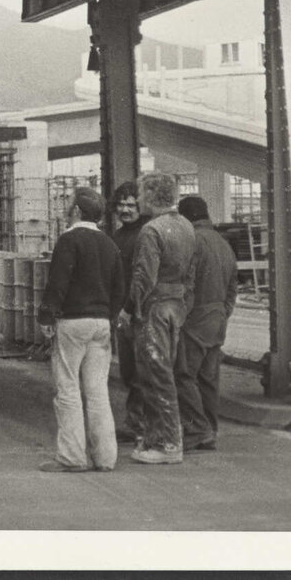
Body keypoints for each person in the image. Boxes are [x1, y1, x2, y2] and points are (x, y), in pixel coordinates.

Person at [35, 187, 125, 472]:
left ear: (76, 211)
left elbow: (58, 283)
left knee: (68, 389)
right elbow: (120, 289)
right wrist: (108, 316)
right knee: (98, 391)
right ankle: (106, 458)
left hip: (73, 323)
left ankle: (73, 457)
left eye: (69, 205)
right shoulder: (110, 244)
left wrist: (47, 317)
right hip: (101, 324)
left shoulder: (69, 240)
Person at [125, 172, 196, 464]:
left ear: (152, 196)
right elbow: (191, 274)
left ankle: (167, 444)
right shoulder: (186, 227)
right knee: (163, 373)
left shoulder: (152, 231)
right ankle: (157, 440)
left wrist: (131, 308)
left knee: (155, 376)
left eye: (141, 194)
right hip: (176, 306)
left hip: (153, 308)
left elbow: (144, 276)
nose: (138, 199)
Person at [175, 195, 237, 452]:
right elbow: (233, 290)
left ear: (186, 218)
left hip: (195, 320)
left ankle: (196, 428)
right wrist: (222, 313)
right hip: (217, 320)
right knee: (208, 379)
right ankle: (210, 430)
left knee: (183, 376)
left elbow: (186, 286)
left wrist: (181, 318)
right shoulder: (224, 245)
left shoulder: (192, 242)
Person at [108, 181, 148, 445]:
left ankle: (142, 425)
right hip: (123, 314)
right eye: (121, 204)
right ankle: (136, 424)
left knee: (142, 372)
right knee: (130, 372)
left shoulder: (145, 235)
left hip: (138, 314)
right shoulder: (118, 236)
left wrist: (128, 308)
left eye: (130, 205)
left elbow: (141, 277)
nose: (125, 209)